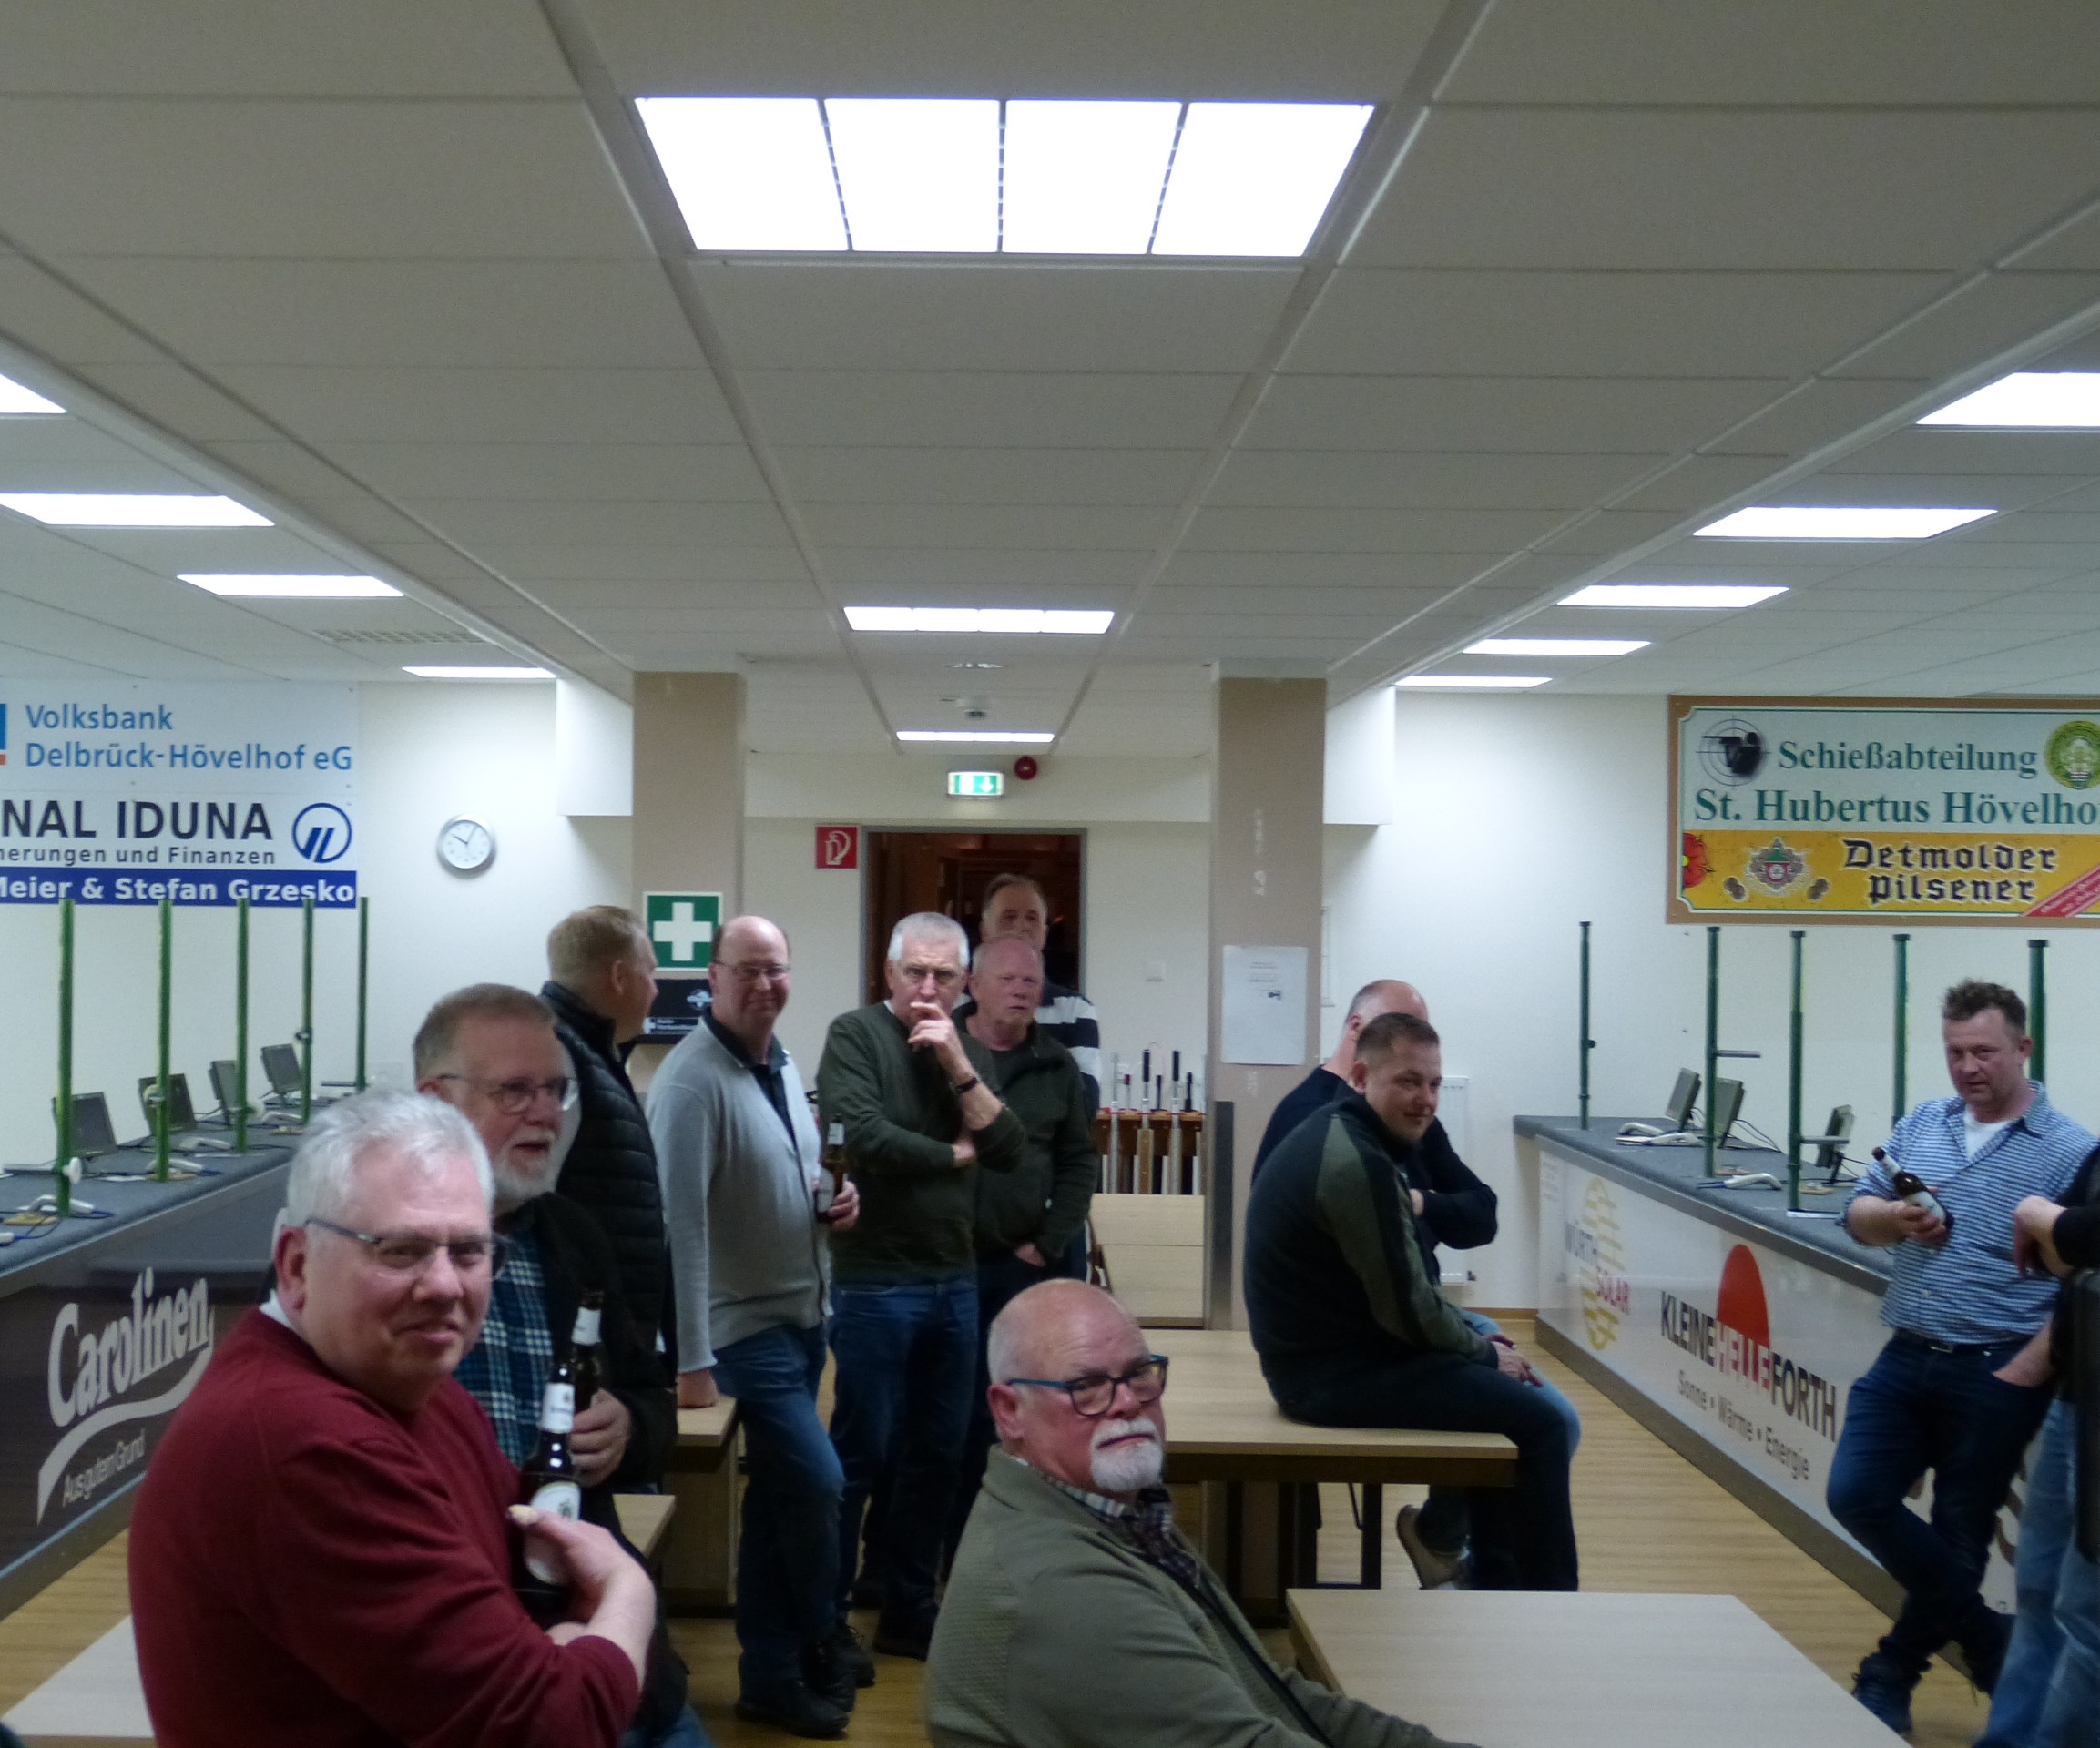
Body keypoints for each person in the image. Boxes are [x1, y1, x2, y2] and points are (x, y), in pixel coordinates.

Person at [130, 1089, 655, 1747]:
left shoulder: (407, 1384)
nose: (444, 1285)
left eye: (469, 1251)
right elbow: (555, 1727)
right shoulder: (304, 1443)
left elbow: (521, 1585)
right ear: (297, 1265)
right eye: (400, 1250)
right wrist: (629, 1592)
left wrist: (569, 1648)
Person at [925, 1278, 1473, 1748]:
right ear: (1010, 1411)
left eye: (1138, 1373)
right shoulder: (1058, 1590)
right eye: (1085, 1386)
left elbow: (1274, 1693)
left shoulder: (1115, 1516)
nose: (1126, 1401)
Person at [418, 985, 699, 1748]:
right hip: (449, 1646)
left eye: (556, 1090)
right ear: (435, 1102)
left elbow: (651, 1395)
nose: (546, 1114)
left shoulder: (574, 1239)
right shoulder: (376, 1266)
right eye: (515, 1091)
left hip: (589, 1624)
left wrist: (629, 1425)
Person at [1254, 977, 1581, 1587]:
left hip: (1341, 1356)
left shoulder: (1354, 1135)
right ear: (1360, 1077)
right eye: (1407, 1082)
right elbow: (1406, 1307)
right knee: (1538, 1421)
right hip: (1327, 1378)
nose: (1425, 1100)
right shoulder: (1357, 1162)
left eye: (1432, 1084)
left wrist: (1476, 1349)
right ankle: (1546, 1605)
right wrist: (1483, 1351)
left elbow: (1456, 1238)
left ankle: (1496, 1586)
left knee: (1511, 1403)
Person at [1830, 980, 2095, 1734]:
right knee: (1856, 1494)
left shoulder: (2073, 1150)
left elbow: (2081, 1279)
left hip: (1996, 1366)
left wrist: (2029, 1365)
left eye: (1984, 1051)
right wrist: (1894, 1217)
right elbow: (1856, 1217)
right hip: (1906, 1350)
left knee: (1961, 1530)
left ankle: (1893, 1672)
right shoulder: (1924, 1122)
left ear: (2023, 1048)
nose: (1968, 1067)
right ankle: (1985, 1638)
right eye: (1955, 1052)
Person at [651, 915, 870, 1738]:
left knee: (783, 1503)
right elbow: (681, 1227)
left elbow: (793, 1170)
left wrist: (833, 1199)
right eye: (745, 970)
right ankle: (818, 1633)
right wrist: (691, 1357)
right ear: (712, 977)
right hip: (741, 1334)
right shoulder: (691, 1081)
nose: (763, 985)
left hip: (803, 1317)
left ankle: (770, 1677)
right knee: (817, 1484)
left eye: (775, 969)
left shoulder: (777, 1061)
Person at [817, 911, 1026, 1659]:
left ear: (965, 982)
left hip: (954, 1282)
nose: (928, 989)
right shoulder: (855, 1035)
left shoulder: (965, 1049)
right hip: (877, 1284)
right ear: (889, 973)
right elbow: (861, 1134)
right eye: (916, 973)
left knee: (938, 1455)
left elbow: (1009, 1146)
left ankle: (909, 1607)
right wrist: (954, 1155)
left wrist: (956, 1066)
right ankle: (828, 1617)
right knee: (862, 1453)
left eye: (944, 976)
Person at [943, 933, 1098, 1560]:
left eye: (1030, 981)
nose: (1019, 990)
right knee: (950, 1418)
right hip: (945, 1267)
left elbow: (1078, 1161)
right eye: (1006, 979)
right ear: (973, 985)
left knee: (1019, 1415)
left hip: (1019, 1268)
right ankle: (948, 1552)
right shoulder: (939, 1050)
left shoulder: (1056, 1065)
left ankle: (1018, 1548)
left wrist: (1049, 1242)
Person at [1981, 1163, 2100, 1747]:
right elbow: (2063, 1255)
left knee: (2087, 1613)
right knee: (2037, 1587)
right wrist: (2063, 1232)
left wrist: (2039, 1215)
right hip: (2078, 1391)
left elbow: (2077, 1236)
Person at [544, 906, 669, 1347]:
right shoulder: (558, 1062)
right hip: (584, 1332)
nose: (656, 989)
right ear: (619, 976)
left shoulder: (595, 1058)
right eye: (650, 973)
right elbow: (537, 1204)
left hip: (612, 1326)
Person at [974, 873, 1102, 1110]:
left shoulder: (1075, 1011)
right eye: (1009, 917)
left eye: (1032, 918)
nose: (1021, 927)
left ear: (1045, 933)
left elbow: (1084, 1105)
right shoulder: (957, 1004)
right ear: (984, 930)